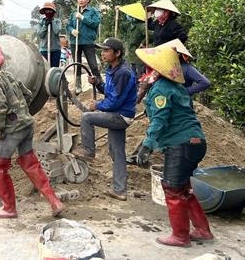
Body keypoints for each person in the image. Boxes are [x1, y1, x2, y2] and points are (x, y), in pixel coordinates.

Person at [0, 42, 65, 218]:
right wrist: (20, 111)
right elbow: (28, 94)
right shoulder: (9, 75)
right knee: (30, 163)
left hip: (12, 129)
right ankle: (55, 201)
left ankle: (8, 208)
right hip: (27, 124)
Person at [135, 45, 213, 247]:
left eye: (149, 68)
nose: (146, 71)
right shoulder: (176, 88)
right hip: (196, 142)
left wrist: (147, 146)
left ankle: (180, 236)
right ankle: (203, 230)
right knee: (184, 187)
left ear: (156, 70)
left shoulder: (161, 89)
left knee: (171, 187)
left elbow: (159, 121)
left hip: (182, 144)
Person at [73, 38, 137, 201]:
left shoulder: (123, 72)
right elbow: (111, 93)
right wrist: (98, 84)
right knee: (117, 153)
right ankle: (120, 190)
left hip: (121, 115)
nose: (103, 53)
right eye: (102, 50)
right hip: (119, 113)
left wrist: (97, 105)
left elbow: (115, 101)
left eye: (107, 50)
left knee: (87, 117)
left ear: (118, 53)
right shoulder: (113, 69)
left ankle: (89, 151)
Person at [67, 0, 102, 93]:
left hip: (88, 41)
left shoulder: (93, 11)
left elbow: (95, 23)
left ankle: (99, 85)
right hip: (75, 42)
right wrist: (72, 30)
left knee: (93, 65)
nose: (81, 0)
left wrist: (82, 18)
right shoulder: (74, 12)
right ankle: (78, 86)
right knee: (76, 65)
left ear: (88, 0)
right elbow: (68, 25)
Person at [37, 2, 62, 67]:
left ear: (53, 12)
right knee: (45, 69)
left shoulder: (57, 21)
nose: (48, 12)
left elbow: (57, 31)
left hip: (55, 49)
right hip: (44, 49)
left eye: (50, 10)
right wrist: (45, 25)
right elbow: (40, 35)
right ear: (44, 12)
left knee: (54, 69)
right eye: (46, 10)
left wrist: (52, 22)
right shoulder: (41, 22)